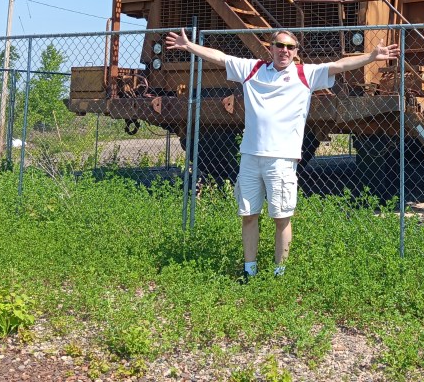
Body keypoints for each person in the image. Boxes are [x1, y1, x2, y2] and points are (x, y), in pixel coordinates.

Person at [164, 28, 400, 279]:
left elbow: (338, 65)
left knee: (282, 218)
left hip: (282, 160)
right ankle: (249, 270)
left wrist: (371, 56)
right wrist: (189, 46)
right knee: (248, 215)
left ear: (296, 51)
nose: (283, 50)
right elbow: (220, 57)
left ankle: (279, 273)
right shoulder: (252, 69)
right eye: (279, 45)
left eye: (289, 47)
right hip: (250, 157)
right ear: (271, 48)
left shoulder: (304, 74)